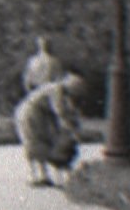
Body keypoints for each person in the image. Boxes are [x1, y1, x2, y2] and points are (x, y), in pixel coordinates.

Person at [14, 46, 82, 189]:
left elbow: (65, 111)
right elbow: (59, 110)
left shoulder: (62, 92)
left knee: (43, 141)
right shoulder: (56, 90)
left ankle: (44, 175)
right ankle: (39, 176)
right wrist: (69, 127)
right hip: (29, 113)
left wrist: (68, 123)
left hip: (38, 113)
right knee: (34, 141)